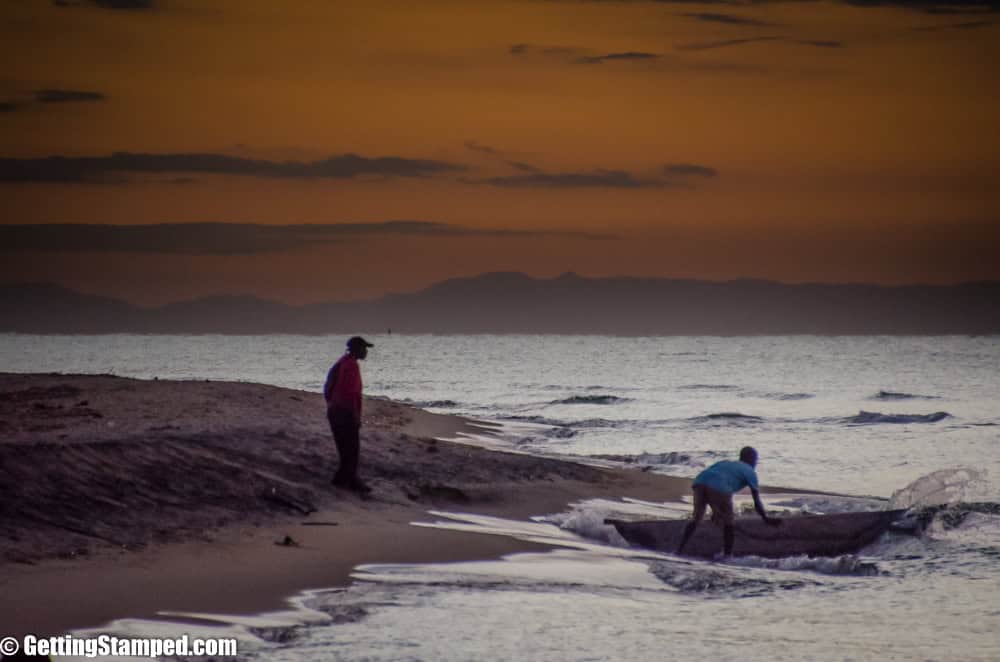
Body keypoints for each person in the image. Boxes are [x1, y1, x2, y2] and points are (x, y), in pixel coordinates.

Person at [676, 446, 780, 557]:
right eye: (755, 460)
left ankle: (679, 550)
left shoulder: (726, 463)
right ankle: (727, 556)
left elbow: (710, 478)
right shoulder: (750, 471)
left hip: (699, 482)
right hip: (720, 487)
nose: (755, 463)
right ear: (751, 459)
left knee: (696, 518)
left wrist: (715, 509)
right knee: (729, 522)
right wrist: (765, 518)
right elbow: (756, 500)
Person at [324, 336, 374, 494]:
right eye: (364, 348)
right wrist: (355, 416)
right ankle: (344, 483)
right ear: (357, 350)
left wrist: (331, 405)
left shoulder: (342, 362)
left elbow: (328, 388)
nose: (366, 352)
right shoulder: (350, 366)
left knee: (347, 451)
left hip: (335, 411)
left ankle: (350, 481)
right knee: (351, 451)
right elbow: (350, 394)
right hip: (344, 413)